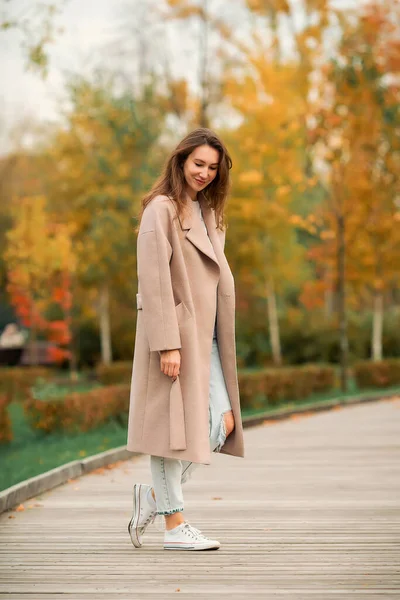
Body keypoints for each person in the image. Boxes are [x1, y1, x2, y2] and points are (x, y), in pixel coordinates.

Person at [126, 127, 244, 551]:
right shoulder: (161, 209)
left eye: (213, 167)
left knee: (221, 424)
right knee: (171, 429)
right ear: (180, 161)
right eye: (198, 164)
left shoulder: (208, 212)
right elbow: (154, 278)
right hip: (176, 335)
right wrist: (167, 343)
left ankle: (154, 498)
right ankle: (174, 525)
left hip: (207, 337)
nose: (205, 173)